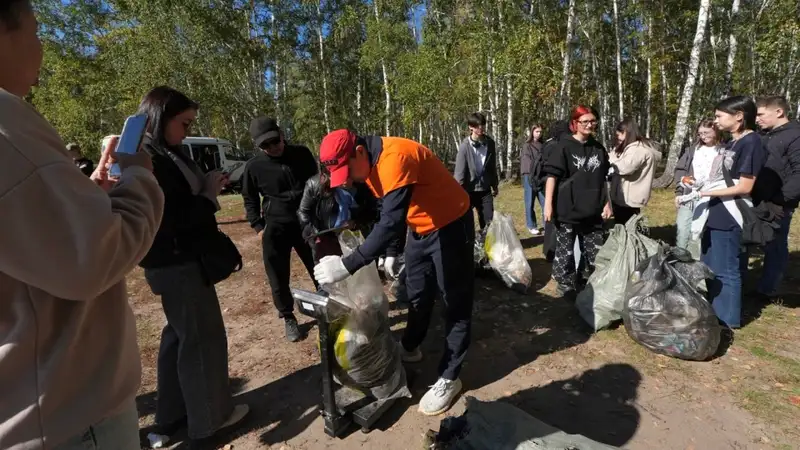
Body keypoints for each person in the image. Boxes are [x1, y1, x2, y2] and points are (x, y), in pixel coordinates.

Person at [0, 1, 164, 448]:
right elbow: (93, 258)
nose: (41, 47)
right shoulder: (6, 127)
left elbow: (37, 238)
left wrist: (86, 197)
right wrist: (140, 176)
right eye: (34, 31)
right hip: (68, 413)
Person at [313, 130, 474, 416]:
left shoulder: (394, 158)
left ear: (359, 152)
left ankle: (450, 377)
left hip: (450, 224)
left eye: (347, 170)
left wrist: (348, 264)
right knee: (417, 290)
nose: (347, 179)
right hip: (421, 227)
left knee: (455, 302)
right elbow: (390, 209)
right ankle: (411, 346)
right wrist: (391, 251)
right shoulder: (369, 165)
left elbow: (390, 221)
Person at [137, 86, 249, 445]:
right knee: (202, 339)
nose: (187, 131)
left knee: (179, 338)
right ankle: (210, 420)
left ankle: (169, 418)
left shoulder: (164, 153)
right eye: (184, 123)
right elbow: (173, 219)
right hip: (177, 261)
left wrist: (208, 185)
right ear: (160, 117)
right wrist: (209, 198)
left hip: (170, 261)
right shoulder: (150, 159)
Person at [242, 117, 318, 342]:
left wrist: (320, 215)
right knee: (277, 274)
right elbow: (249, 198)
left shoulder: (302, 154)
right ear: (259, 146)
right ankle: (288, 317)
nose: (272, 148)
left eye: (275, 141)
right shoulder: (254, 166)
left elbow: (316, 184)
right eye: (265, 145)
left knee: (319, 265)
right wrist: (258, 226)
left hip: (306, 224)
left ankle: (331, 305)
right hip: (276, 227)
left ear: (282, 135)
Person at [695, 96, 766, 329]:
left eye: (719, 116)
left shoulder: (751, 143)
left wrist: (708, 194)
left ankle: (727, 320)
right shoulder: (732, 142)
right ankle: (714, 311)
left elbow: (746, 186)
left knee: (726, 267)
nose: (715, 121)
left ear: (739, 116)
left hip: (730, 211)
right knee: (711, 264)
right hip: (716, 210)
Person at [543, 106, 612, 298]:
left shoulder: (598, 148)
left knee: (593, 251)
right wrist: (548, 204)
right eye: (585, 121)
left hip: (593, 209)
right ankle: (565, 284)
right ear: (575, 124)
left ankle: (585, 279)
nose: (589, 125)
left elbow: (604, 178)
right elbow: (551, 177)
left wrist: (607, 203)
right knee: (565, 250)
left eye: (592, 121)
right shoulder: (563, 147)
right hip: (568, 208)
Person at [751, 95, 800, 299]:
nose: (757, 119)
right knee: (751, 239)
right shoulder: (764, 135)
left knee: (775, 244)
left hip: (779, 203)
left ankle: (768, 288)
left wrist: (782, 199)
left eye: (761, 114)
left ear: (779, 112)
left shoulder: (795, 135)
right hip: (756, 198)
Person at [297, 165, 381, 262]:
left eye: (347, 177)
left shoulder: (362, 183)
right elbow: (303, 212)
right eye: (340, 178)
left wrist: (355, 222)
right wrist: (314, 233)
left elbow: (371, 210)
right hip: (325, 236)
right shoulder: (314, 184)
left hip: (353, 235)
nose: (345, 182)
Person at [673, 119, 723, 250]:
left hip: (711, 198)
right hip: (689, 196)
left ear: (716, 131)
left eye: (706, 132)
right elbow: (680, 170)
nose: (703, 136)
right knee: (682, 230)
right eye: (700, 133)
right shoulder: (692, 151)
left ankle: (696, 264)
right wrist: (680, 188)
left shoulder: (723, 151)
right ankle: (681, 258)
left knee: (699, 233)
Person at [608, 119, 662, 226]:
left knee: (626, 229)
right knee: (628, 226)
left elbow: (625, 168)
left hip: (628, 198)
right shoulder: (635, 148)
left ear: (626, 133)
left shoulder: (637, 150)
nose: (617, 137)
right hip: (629, 196)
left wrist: (611, 159)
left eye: (619, 134)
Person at [454, 112, 499, 231]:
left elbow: (492, 167)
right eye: (478, 126)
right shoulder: (464, 147)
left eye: (483, 125)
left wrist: (495, 184)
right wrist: (458, 192)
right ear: (471, 127)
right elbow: (459, 172)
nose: (481, 128)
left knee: (489, 221)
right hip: (468, 190)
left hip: (485, 190)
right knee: (466, 223)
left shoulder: (490, 144)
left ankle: (488, 245)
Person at [521, 124, 545, 235]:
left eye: (540, 132)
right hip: (529, 176)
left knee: (545, 201)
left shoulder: (543, 145)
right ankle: (531, 225)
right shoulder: (527, 145)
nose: (539, 134)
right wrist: (532, 174)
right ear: (532, 132)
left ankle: (547, 224)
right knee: (529, 201)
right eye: (537, 132)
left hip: (541, 177)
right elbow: (527, 162)